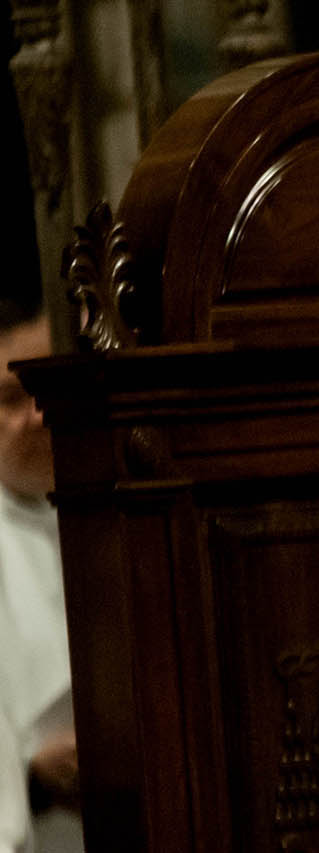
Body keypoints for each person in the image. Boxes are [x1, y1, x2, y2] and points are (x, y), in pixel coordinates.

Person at [0, 301, 79, 851]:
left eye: (45, 388)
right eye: (9, 398)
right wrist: (31, 780)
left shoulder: (133, 511)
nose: (35, 414)